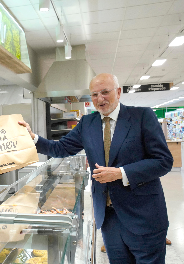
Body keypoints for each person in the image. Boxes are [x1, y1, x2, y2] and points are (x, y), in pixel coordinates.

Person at [19, 73, 173, 264]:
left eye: (105, 92)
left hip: (143, 216)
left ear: (118, 92)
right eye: (94, 94)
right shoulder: (87, 123)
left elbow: (163, 161)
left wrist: (121, 173)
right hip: (108, 219)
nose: (100, 99)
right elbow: (60, 148)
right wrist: (32, 138)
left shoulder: (142, 116)